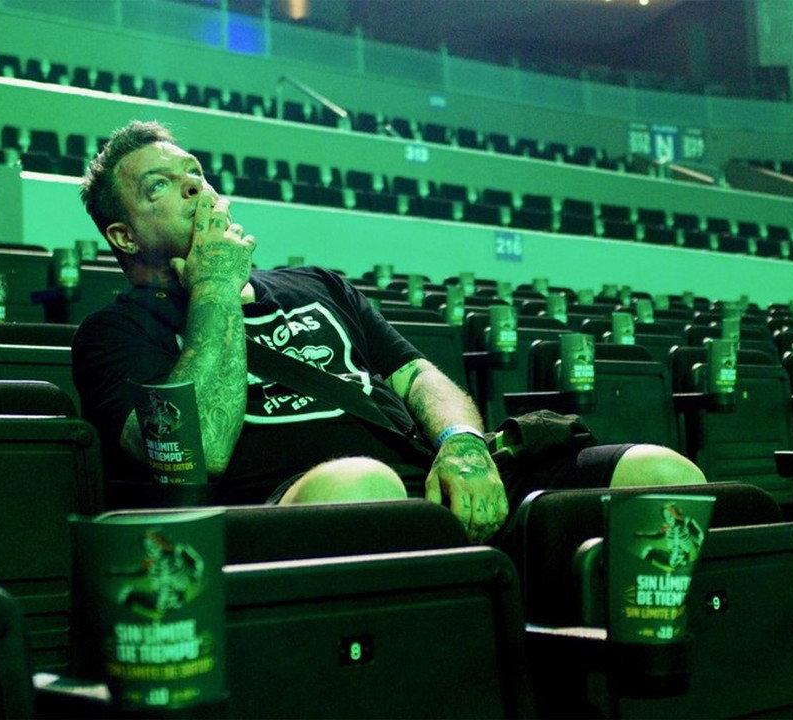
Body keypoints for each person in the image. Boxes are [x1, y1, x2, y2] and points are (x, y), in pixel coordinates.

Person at [72, 120, 705, 542]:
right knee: (364, 485)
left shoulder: (318, 284)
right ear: (124, 236)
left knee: (661, 475)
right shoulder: (113, 333)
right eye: (160, 186)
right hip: (294, 507)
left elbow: (419, 376)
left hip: (430, 481)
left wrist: (462, 445)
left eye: (194, 171)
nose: (193, 184)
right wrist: (213, 287)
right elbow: (199, 450)